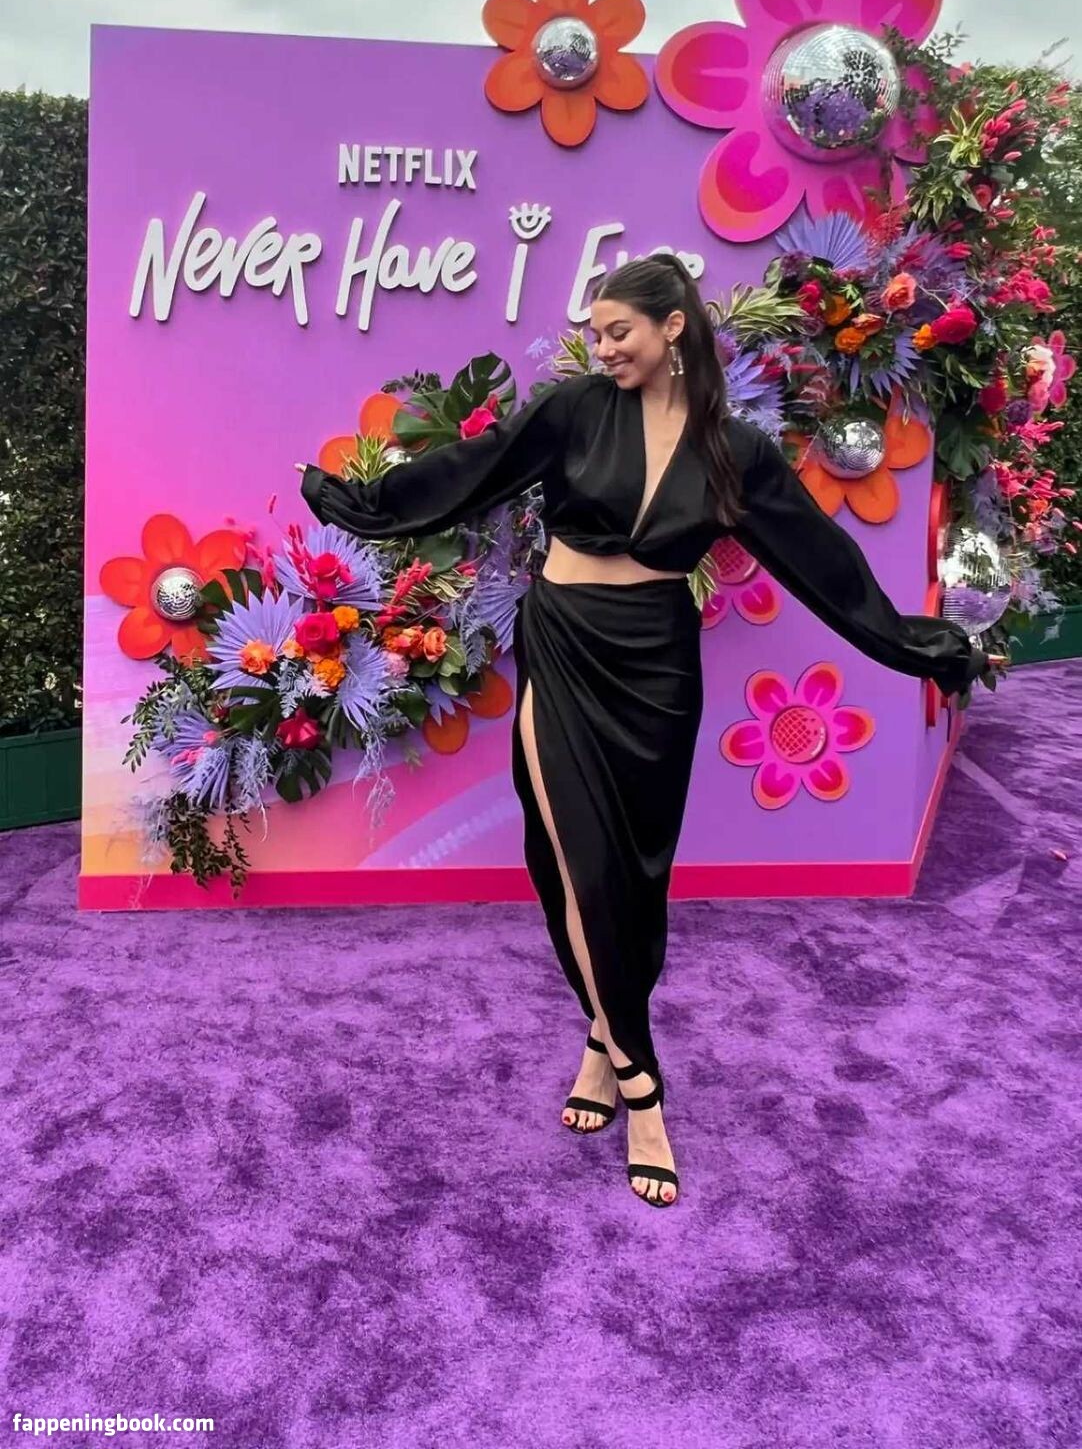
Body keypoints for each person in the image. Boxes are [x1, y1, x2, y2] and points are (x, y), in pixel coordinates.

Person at [296, 252, 1007, 1209]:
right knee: (580, 863)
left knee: (634, 873)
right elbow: (472, 472)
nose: (602, 348)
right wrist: (361, 505)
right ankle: (644, 1089)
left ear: (673, 327)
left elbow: (824, 565)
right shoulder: (573, 410)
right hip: (564, 642)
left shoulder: (734, 451)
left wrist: (919, 646)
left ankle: (601, 1041)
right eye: (594, 333)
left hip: (657, 665)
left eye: (618, 331)